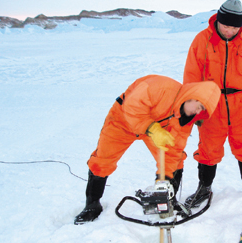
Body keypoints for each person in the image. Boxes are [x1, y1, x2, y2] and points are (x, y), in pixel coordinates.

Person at [74, 75, 221, 224]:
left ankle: (167, 201)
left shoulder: (185, 119)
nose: (197, 112)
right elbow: (131, 107)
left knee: (176, 162)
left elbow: (173, 152)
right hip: (123, 120)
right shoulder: (160, 88)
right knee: (103, 160)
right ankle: (92, 205)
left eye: (202, 110)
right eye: (199, 106)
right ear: (192, 97)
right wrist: (151, 128)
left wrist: (163, 181)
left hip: (155, 131)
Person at [183, 0, 242, 208]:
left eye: (234, 27)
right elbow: (192, 76)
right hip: (211, 104)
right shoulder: (202, 40)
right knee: (208, 148)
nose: (230, 31)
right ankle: (204, 188)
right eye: (226, 26)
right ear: (218, 21)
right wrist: (194, 107)